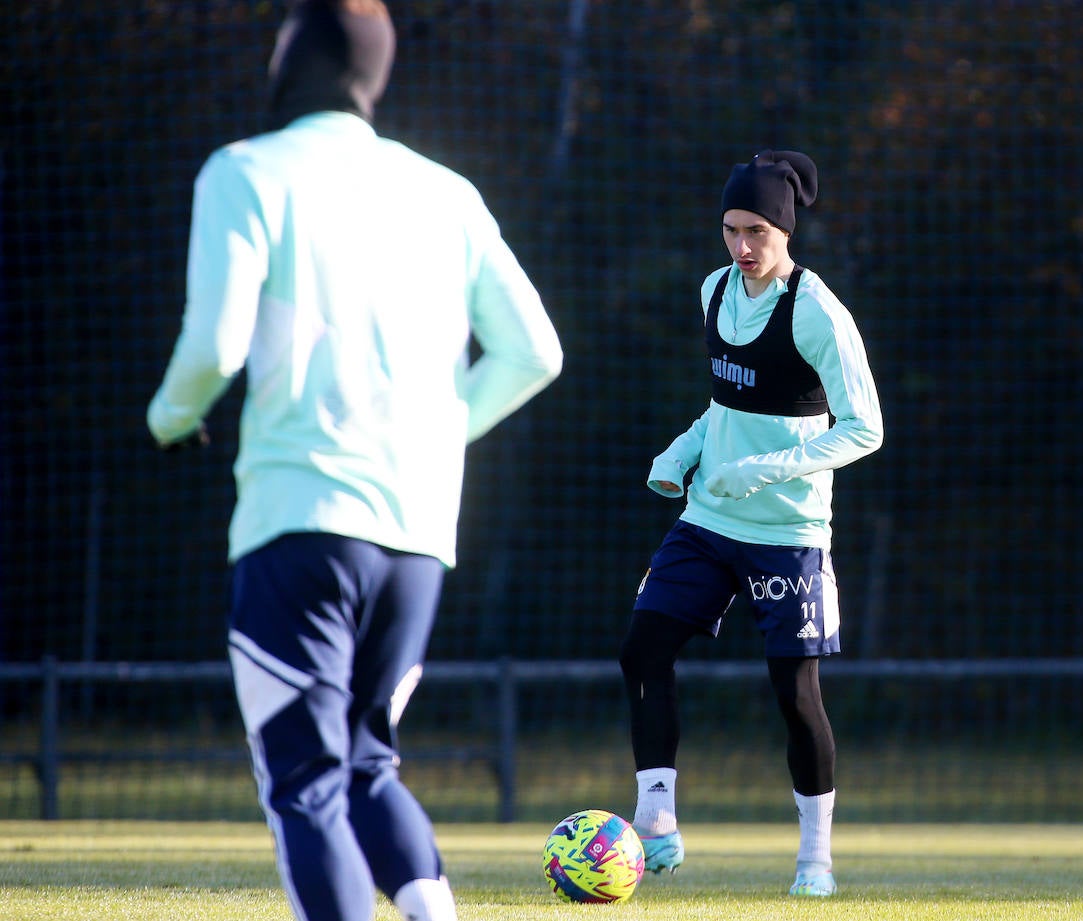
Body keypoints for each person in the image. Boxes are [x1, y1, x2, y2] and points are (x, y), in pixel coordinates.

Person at [145, 3, 562, 920]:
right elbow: (537, 351)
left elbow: (214, 347)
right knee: (369, 762)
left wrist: (169, 416)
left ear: (291, 58)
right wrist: (440, 438)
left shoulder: (245, 171)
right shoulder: (446, 193)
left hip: (300, 524)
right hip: (417, 535)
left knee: (305, 780)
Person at [618, 150, 883, 897]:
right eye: (732, 228)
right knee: (643, 649)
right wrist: (687, 448)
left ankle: (814, 862)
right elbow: (725, 407)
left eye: (757, 231)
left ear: (785, 230)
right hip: (707, 518)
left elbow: (865, 428)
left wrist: (764, 468)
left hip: (789, 531)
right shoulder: (713, 291)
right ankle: (657, 825)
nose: (741, 246)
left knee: (794, 694)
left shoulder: (818, 311)